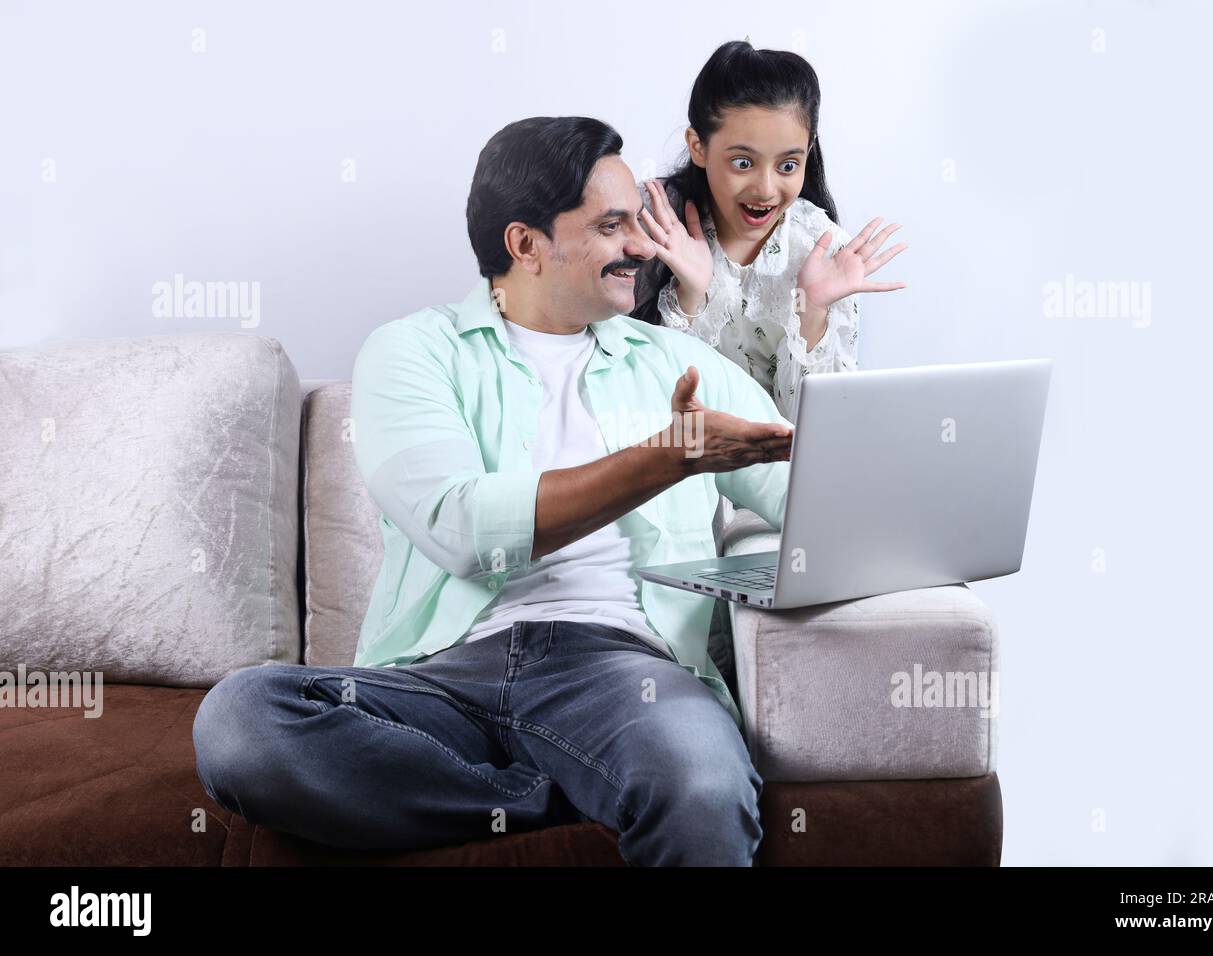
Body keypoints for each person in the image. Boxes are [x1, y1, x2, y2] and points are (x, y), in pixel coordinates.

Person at [192, 115, 798, 866]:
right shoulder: (414, 351)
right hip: (440, 677)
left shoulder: (672, 361)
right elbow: (462, 529)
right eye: (612, 227)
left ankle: (574, 777)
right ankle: (545, 792)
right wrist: (662, 459)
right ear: (525, 245)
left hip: (623, 670)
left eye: (636, 224)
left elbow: (804, 490)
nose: (642, 248)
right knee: (242, 721)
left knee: (702, 784)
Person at [632, 39, 908, 427]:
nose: (765, 189)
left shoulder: (822, 250)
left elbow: (812, 432)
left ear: (807, 152)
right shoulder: (653, 219)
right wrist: (690, 296)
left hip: (770, 475)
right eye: (743, 163)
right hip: (673, 472)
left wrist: (812, 312)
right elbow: (638, 400)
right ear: (698, 147)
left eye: (788, 165)